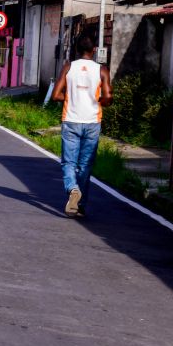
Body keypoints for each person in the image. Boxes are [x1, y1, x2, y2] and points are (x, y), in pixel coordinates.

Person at [51, 33, 113, 217]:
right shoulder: (102, 70)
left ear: (77, 49)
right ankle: (81, 205)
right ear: (94, 50)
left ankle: (72, 189)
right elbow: (108, 97)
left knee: (69, 162)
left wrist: (71, 98)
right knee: (85, 165)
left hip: (70, 119)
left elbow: (55, 95)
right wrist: (99, 99)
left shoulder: (69, 67)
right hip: (92, 121)